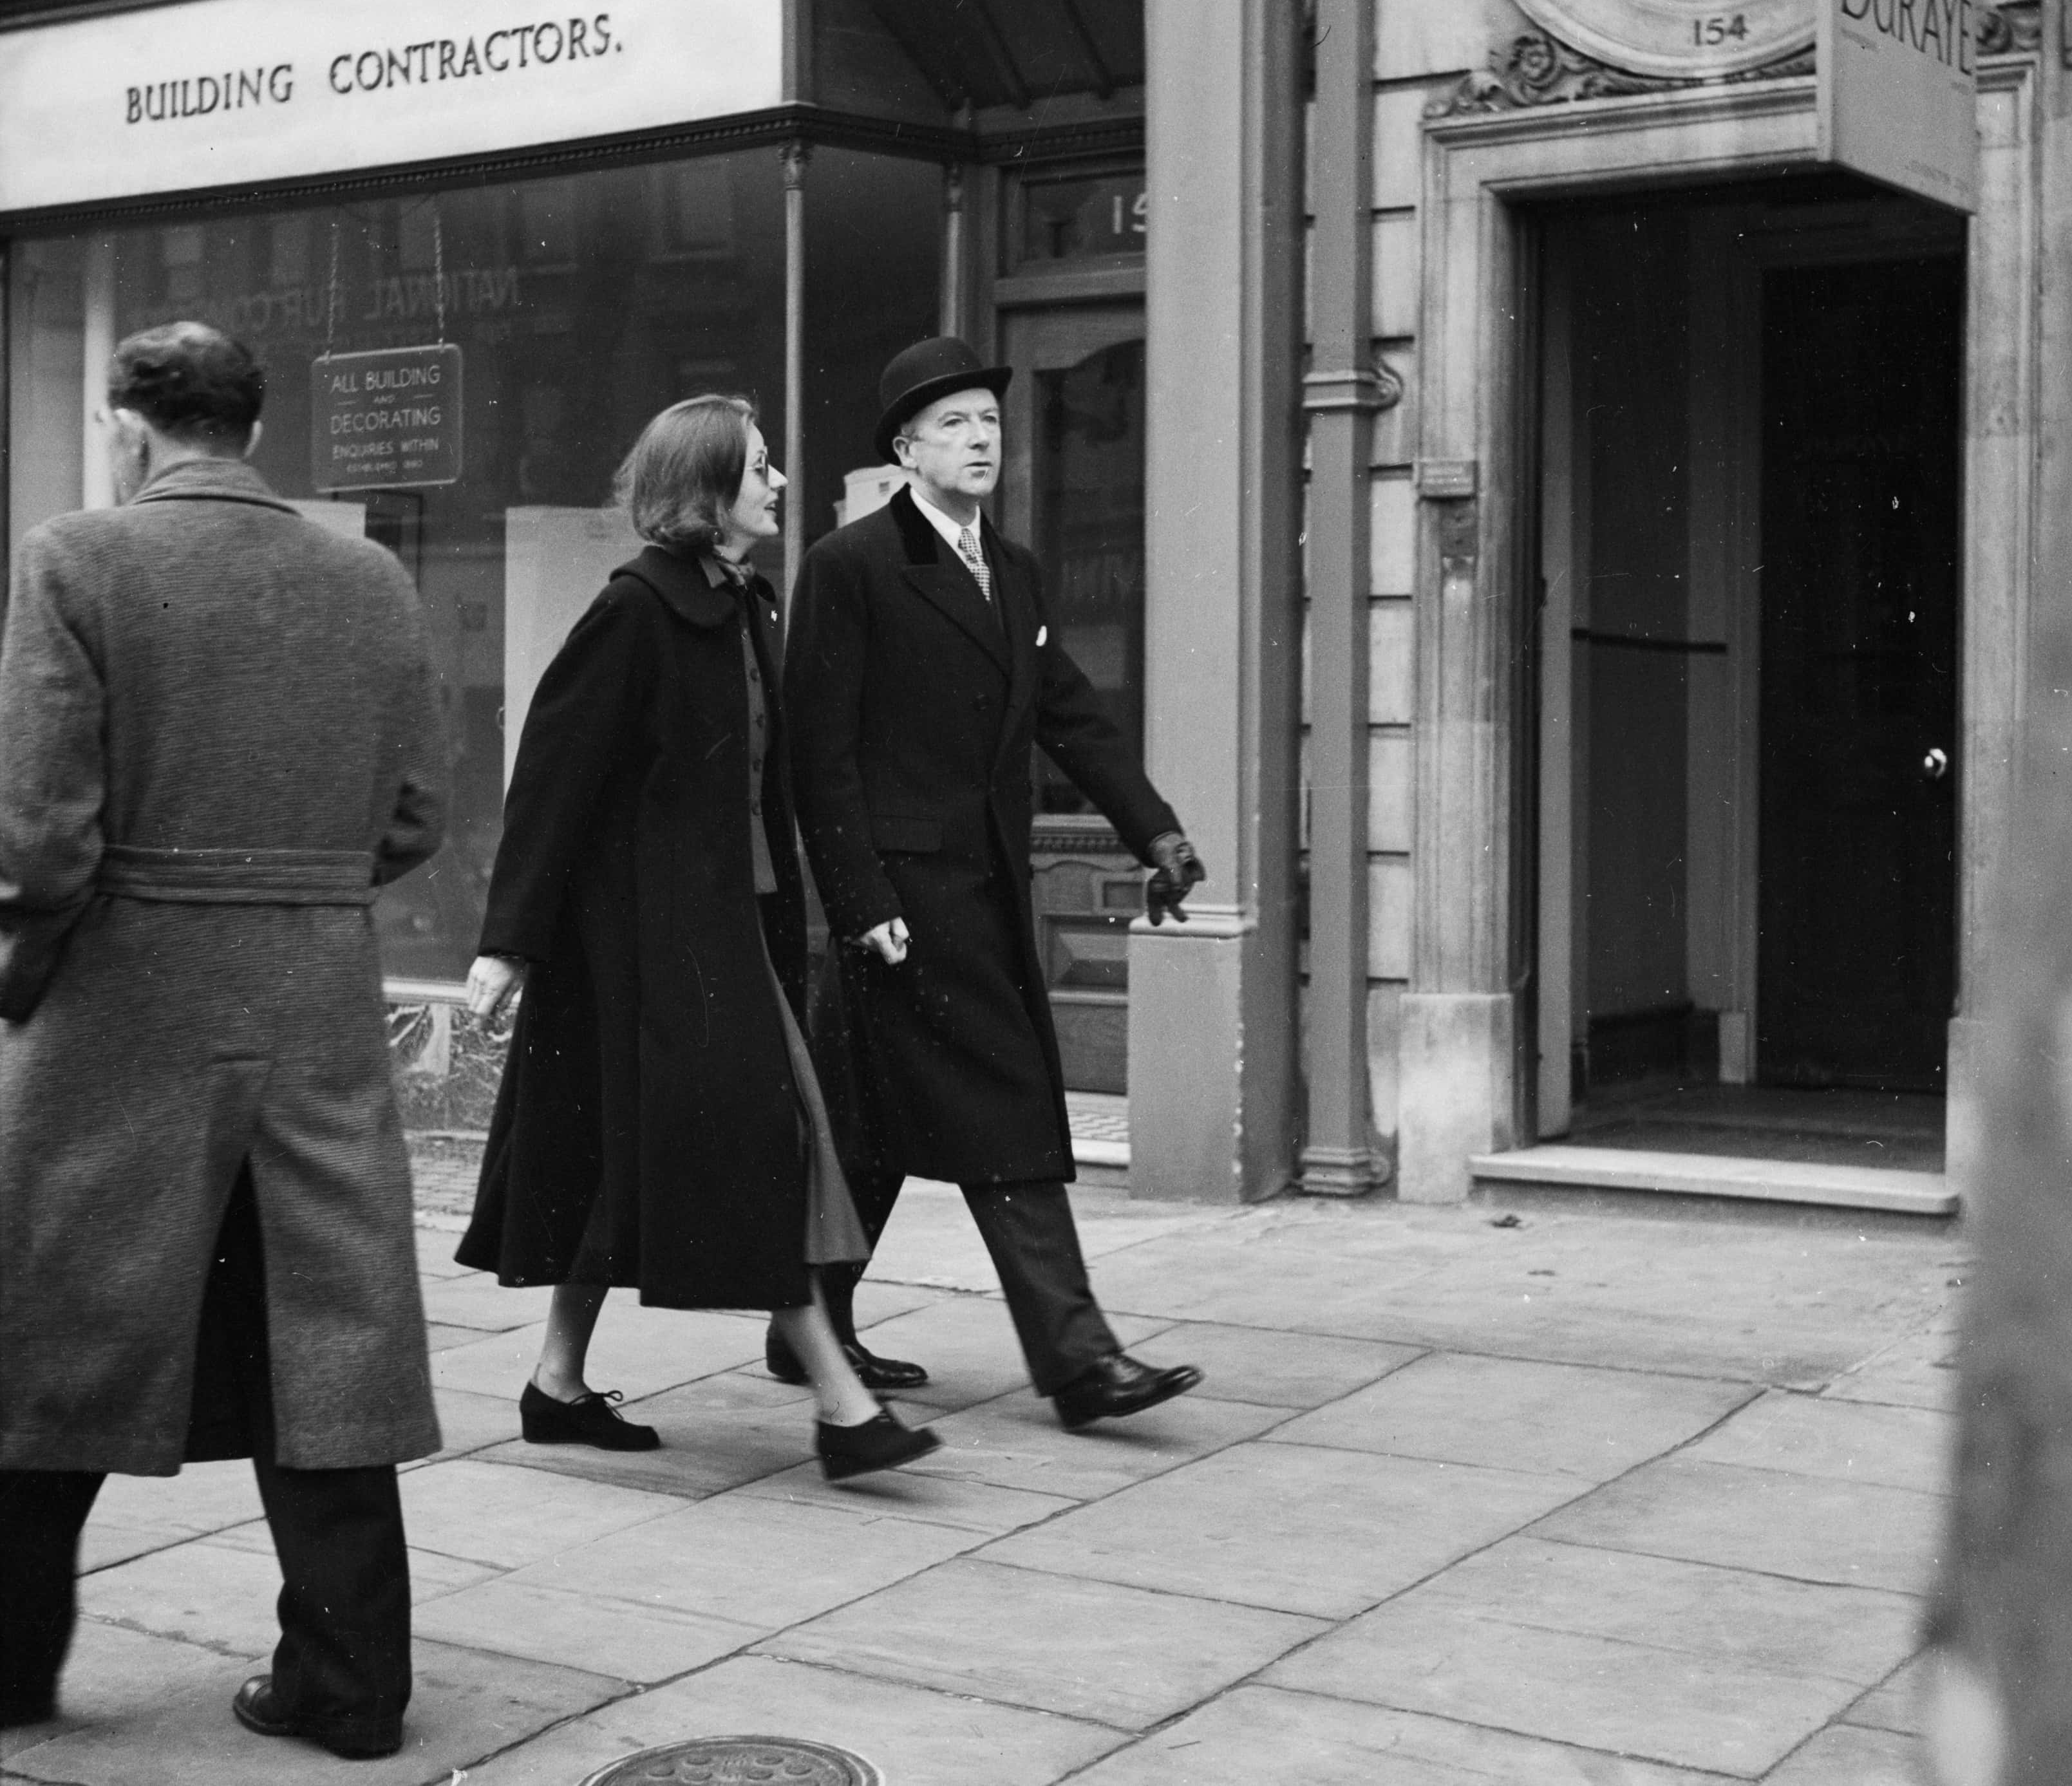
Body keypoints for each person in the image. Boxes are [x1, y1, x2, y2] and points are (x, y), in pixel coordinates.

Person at [0, 323, 447, 1758]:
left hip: (128, 998)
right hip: (312, 991)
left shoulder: (75, 558)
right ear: (252, 429)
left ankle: (8, 1667)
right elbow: (415, 816)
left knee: (55, 1326)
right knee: (329, 1335)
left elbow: (41, 836)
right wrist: (295, 897)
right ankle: (350, 1684)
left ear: (131, 426)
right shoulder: (370, 577)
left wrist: (23, 978)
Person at [455, 394, 937, 1484]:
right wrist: (508, 943)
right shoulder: (636, 610)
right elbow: (552, 781)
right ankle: (844, 1408)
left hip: (735, 934)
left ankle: (556, 1385)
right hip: (655, 944)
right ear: (709, 491)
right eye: (759, 468)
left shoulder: (743, 601)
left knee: (616, 1159)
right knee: (763, 1152)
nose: (776, 483)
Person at [782, 335, 1209, 1429]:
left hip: (983, 890)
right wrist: (860, 900)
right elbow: (816, 754)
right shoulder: (853, 565)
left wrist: (1153, 833)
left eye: (991, 423)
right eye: (955, 425)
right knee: (1006, 1108)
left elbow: (1071, 715)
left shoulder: (1009, 569)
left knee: (872, 1128)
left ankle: (809, 1323)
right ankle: (1077, 1361)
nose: (981, 441)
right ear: (905, 450)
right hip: (907, 903)